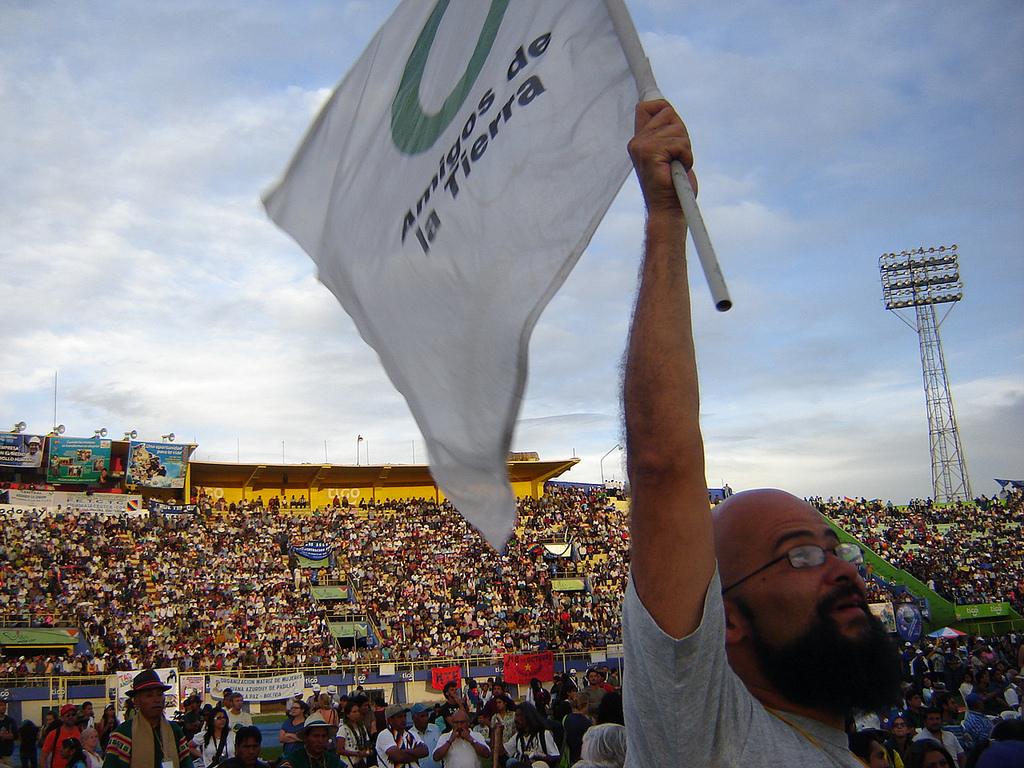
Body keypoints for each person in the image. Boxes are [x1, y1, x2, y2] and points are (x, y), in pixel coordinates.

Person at [619, 99, 903, 767]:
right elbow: (662, 462)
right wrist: (666, 222)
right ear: (730, 621)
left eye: (833, 549)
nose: (840, 570)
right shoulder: (707, 736)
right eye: (799, 555)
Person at [102, 670, 194, 768]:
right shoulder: (123, 733)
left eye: (159, 694)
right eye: (149, 695)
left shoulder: (174, 730)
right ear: (136, 702)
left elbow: (187, 763)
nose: (156, 699)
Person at [499, 703, 559, 768]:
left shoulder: (544, 734)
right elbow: (502, 753)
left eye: (519, 716)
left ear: (528, 717)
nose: (516, 719)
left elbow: (556, 757)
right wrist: (499, 733)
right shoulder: (518, 736)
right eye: (516, 716)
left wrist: (539, 758)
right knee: (511, 761)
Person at [335, 702, 372, 768]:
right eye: (354, 712)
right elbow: (339, 750)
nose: (357, 714)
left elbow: (367, 741)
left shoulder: (362, 727)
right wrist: (357, 754)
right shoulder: (343, 728)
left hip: (361, 763)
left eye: (358, 711)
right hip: (348, 764)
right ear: (348, 715)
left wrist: (368, 750)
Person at [561, 693, 593, 765]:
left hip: (569, 755)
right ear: (585, 705)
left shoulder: (566, 718)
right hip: (582, 755)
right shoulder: (586, 722)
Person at [0, 701, 16, 768]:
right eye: (1, 705)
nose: (4, 707)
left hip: (8, 755)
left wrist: (3, 735)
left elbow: (15, 735)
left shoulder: (10, 721)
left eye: (5, 705)